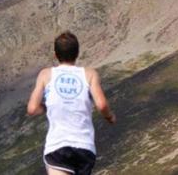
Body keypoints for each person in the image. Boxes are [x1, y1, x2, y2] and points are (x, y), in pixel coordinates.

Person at [27, 31, 116, 175]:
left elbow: (32, 108)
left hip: (57, 145)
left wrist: (45, 107)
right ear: (77, 52)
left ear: (55, 54)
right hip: (84, 147)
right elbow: (102, 105)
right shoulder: (89, 74)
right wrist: (109, 116)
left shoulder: (45, 74)